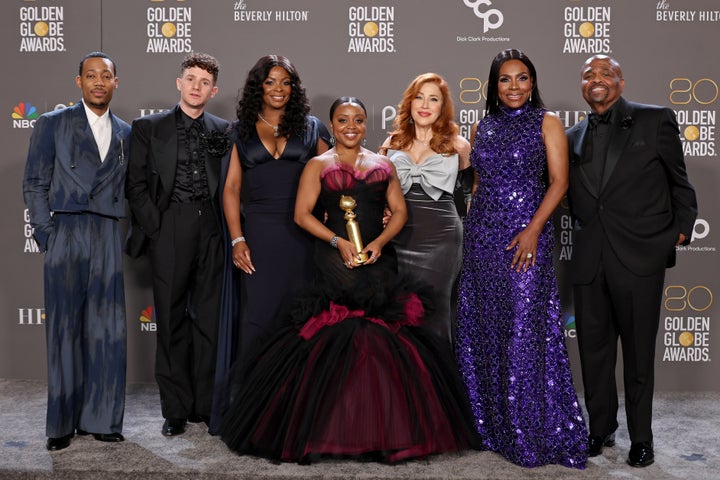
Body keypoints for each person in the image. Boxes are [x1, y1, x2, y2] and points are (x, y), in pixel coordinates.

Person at [219, 97, 479, 463]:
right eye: (343, 120)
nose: (351, 126)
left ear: (366, 124)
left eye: (358, 119)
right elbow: (301, 214)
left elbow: (401, 212)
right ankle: (331, 430)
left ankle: (383, 429)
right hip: (333, 260)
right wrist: (336, 241)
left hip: (377, 260)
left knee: (381, 339)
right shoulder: (316, 165)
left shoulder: (383, 163)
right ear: (332, 124)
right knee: (336, 337)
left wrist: (379, 243)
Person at [455, 48, 587, 468]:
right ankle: (491, 424)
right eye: (505, 80)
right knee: (486, 327)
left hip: (526, 236)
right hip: (482, 239)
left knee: (524, 329)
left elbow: (560, 182)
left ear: (533, 82)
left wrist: (532, 231)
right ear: (494, 86)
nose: (514, 87)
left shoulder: (547, 122)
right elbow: (477, 184)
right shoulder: (483, 126)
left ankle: (528, 427)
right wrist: (471, 229)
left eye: (522, 78)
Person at [566, 55, 697, 468]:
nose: (597, 80)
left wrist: (680, 230)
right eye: (589, 75)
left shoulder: (654, 120)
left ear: (621, 83)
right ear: (582, 86)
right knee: (593, 351)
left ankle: (642, 438)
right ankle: (600, 428)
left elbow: (680, 181)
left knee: (639, 354)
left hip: (640, 255)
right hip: (589, 258)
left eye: (606, 74)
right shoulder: (571, 135)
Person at [211, 55, 330, 432]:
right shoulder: (240, 130)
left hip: (303, 238)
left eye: (285, 82)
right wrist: (237, 238)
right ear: (257, 87)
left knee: (301, 321)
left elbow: (339, 172)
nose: (278, 89)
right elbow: (230, 189)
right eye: (270, 82)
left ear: (294, 89)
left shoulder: (312, 128)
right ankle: (255, 409)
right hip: (258, 238)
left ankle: (301, 410)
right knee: (258, 321)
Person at [23, 51, 130, 451]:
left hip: (105, 232)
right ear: (79, 82)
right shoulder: (52, 124)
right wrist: (47, 234)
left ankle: (102, 419)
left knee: (109, 331)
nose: (99, 81)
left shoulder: (126, 132)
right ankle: (62, 424)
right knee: (64, 329)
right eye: (91, 75)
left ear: (116, 82)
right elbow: (34, 182)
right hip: (65, 230)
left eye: (106, 75)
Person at [126, 52, 231, 437]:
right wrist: (156, 228)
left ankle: (205, 406)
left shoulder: (225, 129)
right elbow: (135, 185)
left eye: (204, 82)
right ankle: (175, 408)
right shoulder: (148, 127)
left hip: (212, 229)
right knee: (170, 320)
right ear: (179, 82)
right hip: (170, 225)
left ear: (213, 90)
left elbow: (232, 185)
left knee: (209, 320)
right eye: (190, 79)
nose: (196, 87)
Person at [380, 73, 472, 343]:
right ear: (409, 103)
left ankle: (438, 380)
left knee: (436, 310)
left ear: (443, 108)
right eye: (419, 97)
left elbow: (469, 194)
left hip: (442, 237)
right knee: (402, 311)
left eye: (433, 99)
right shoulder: (391, 145)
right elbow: (380, 194)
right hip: (400, 237)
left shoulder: (459, 145)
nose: (425, 104)